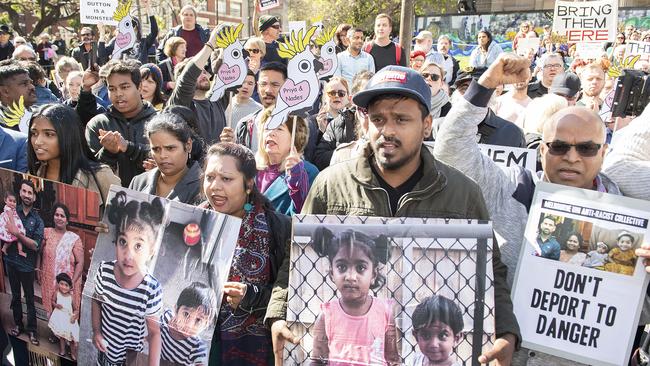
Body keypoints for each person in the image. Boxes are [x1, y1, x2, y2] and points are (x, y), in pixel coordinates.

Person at [291, 65, 520, 365]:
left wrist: (506, 331)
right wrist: (280, 314)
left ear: (426, 125)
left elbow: (491, 271)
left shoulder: (463, 192)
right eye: (378, 119)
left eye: (401, 119)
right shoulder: (330, 185)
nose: (387, 130)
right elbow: (296, 262)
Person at [431, 53, 629, 364]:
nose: (572, 157)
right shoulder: (513, 188)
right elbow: (451, 149)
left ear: (604, 151)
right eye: (559, 146)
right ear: (541, 149)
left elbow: (633, 313)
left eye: (587, 148)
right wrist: (486, 86)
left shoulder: (630, 218)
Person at [199, 143, 290, 365]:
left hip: (257, 350)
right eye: (210, 177)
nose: (215, 187)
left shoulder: (278, 228)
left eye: (226, 179)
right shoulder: (193, 222)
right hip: (198, 348)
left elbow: (290, 293)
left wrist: (251, 296)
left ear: (249, 184)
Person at [92, 191, 164, 365]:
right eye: (123, 241)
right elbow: (96, 301)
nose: (128, 255)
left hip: (129, 353)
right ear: (115, 241)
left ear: (152, 251)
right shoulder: (104, 271)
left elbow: (154, 333)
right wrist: (96, 331)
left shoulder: (152, 289)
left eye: (138, 245)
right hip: (105, 347)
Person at [309, 228, 399, 365]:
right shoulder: (326, 315)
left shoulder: (384, 312)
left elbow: (392, 360)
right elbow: (317, 361)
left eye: (360, 268)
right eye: (342, 267)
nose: (350, 277)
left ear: (373, 275)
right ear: (332, 273)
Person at [28, 104, 120, 205]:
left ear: (69, 135)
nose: (38, 142)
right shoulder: (33, 173)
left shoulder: (100, 175)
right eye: (34, 134)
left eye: (49, 134)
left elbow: (122, 217)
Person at [85, 59, 157, 187]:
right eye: (112, 89)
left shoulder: (159, 122)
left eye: (124, 87)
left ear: (139, 87)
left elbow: (173, 160)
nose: (118, 94)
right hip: (110, 202)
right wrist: (108, 152)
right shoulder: (98, 124)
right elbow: (89, 173)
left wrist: (160, 168)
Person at [168, 27, 227, 146]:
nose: (204, 74)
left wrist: (226, 50)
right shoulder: (181, 103)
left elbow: (227, 75)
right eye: (198, 72)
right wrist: (210, 44)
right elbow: (188, 75)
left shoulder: (216, 100)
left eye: (204, 71)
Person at [129, 112, 201, 204]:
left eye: (170, 148)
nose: (162, 156)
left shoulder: (203, 187)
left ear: (188, 145)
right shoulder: (139, 182)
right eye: (156, 149)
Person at [37, 201, 84, 342]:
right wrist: (37, 269)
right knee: (52, 306)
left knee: (66, 309)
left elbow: (80, 262)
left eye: (62, 216)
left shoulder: (74, 238)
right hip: (49, 277)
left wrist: (72, 283)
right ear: (53, 217)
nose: (59, 218)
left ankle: (69, 338)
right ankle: (55, 333)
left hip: (67, 283)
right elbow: (39, 253)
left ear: (67, 219)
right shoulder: (46, 233)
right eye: (56, 215)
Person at [4, 180, 43, 346]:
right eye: (24, 191)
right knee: (15, 296)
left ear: (34, 197)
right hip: (11, 261)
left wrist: (18, 235)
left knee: (29, 298)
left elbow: (35, 245)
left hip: (27, 266)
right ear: (20, 193)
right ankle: (18, 325)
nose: (27, 195)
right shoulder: (11, 212)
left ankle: (32, 330)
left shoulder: (38, 220)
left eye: (30, 193)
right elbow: (3, 230)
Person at [256, 114, 319, 215]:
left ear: (294, 137)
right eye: (267, 128)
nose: (271, 133)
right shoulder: (249, 168)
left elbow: (300, 218)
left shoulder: (308, 172)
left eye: (279, 129)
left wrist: (296, 187)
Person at [313, 71, 372, 170]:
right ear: (352, 99)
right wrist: (349, 153)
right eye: (331, 93)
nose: (336, 96)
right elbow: (319, 159)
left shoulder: (387, 122)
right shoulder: (336, 124)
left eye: (341, 93)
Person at [230, 62, 287, 152]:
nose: (268, 90)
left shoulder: (297, 125)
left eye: (275, 85)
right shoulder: (244, 125)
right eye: (263, 84)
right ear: (257, 86)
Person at [160, 282, 216, 365]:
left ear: (206, 325)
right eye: (186, 314)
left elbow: (201, 363)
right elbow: (152, 333)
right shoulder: (166, 317)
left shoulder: (197, 346)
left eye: (198, 320)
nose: (189, 325)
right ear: (176, 310)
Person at [409, 294, 464, 366]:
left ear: (456, 338)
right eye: (426, 335)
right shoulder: (413, 361)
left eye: (443, 335)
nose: (433, 344)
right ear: (416, 336)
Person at [98, 0, 158, 65]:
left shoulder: (143, 42)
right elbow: (102, 55)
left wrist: (148, 7)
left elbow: (154, 31)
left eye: (132, 24)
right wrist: (102, 34)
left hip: (138, 73)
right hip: (122, 73)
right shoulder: (117, 41)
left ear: (137, 27)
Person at [47, 272, 79, 360]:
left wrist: (74, 316)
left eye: (66, 285)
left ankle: (73, 353)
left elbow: (76, 309)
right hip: (60, 318)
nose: (63, 287)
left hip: (69, 319)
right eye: (61, 284)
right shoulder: (57, 293)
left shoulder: (71, 297)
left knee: (71, 339)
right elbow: (52, 301)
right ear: (58, 283)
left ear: (70, 287)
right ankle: (63, 350)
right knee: (62, 336)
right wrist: (56, 305)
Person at [0, 60, 37, 128]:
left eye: (31, 83)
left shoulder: (41, 117)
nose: (32, 87)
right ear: (5, 91)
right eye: (24, 84)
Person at [0, 191, 26, 257]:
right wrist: (14, 228)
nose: (12, 203)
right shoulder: (9, 210)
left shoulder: (8, 208)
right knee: (18, 237)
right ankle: (20, 250)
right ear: (5, 200)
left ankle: (4, 248)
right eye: (10, 201)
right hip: (12, 225)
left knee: (11, 239)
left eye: (14, 202)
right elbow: (11, 219)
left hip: (11, 224)